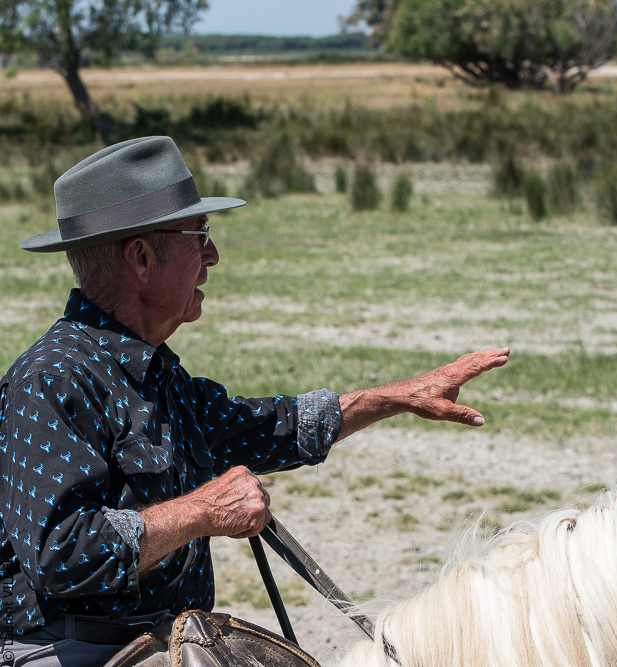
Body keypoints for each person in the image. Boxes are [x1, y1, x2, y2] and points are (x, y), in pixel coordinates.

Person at [0, 136, 509, 666]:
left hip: (157, 640)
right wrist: (203, 510)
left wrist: (396, 398)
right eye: (199, 236)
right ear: (143, 257)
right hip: (70, 650)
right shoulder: (52, 380)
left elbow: (265, 426)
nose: (212, 256)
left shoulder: (152, 372)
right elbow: (61, 553)